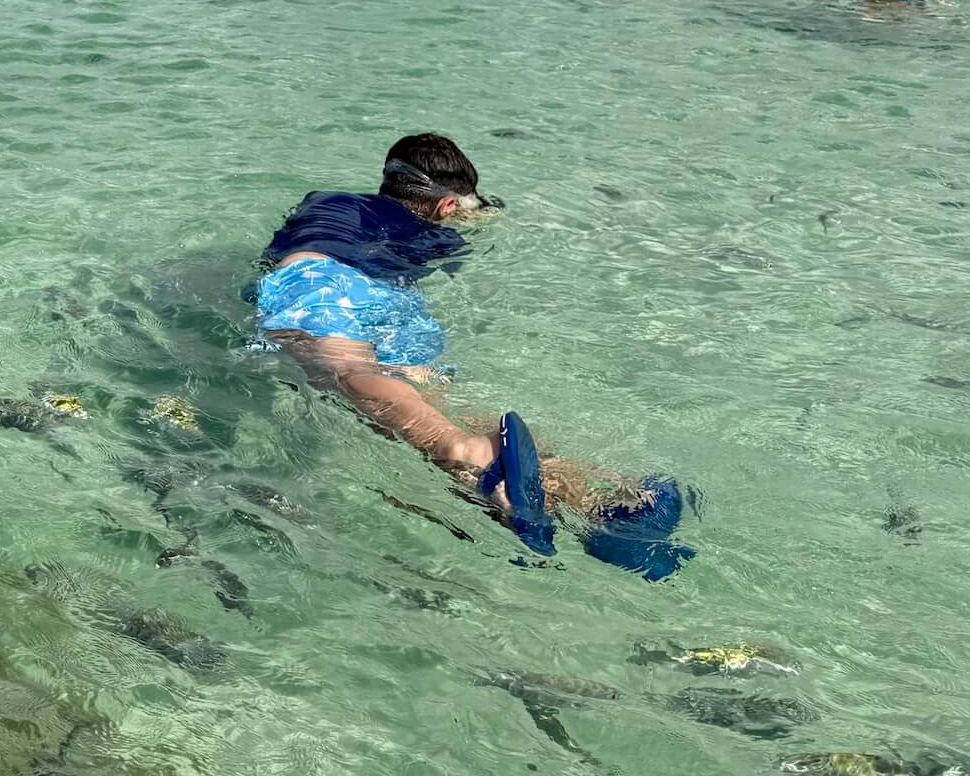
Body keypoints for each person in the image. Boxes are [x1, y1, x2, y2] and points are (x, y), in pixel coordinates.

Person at [254, 135, 688, 574]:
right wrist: (476, 217)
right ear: (446, 208)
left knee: (356, 374)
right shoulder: (440, 238)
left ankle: (474, 459)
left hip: (316, 275)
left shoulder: (325, 200)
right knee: (425, 395)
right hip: (391, 298)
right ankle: (600, 502)